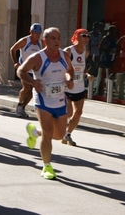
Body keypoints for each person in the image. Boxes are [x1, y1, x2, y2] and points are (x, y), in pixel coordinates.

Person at [17, 27, 74, 180]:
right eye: (53, 38)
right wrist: (33, 82)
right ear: (45, 41)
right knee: (48, 133)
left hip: (60, 99)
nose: (57, 41)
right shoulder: (37, 58)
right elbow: (21, 71)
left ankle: (34, 133)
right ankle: (47, 166)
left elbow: (70, 70)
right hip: (43, 100)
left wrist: (69, 79)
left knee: (59, 135)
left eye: (58, 38)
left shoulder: (65, 55)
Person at [62, 28, 94, 146]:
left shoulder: (86, 52)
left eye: (88, 36)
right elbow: (62, 67)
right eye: (84, 36)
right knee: (69, 113)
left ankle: (68, 134)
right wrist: (67, 79)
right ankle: (58, 125)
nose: (87, 38)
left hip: (79, 85)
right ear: (77, 37)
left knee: (79, 112)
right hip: (67, 86)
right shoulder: (68, 51)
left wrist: (87, 74)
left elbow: (83, 66)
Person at [10, 23, 44, 118]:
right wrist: (16, 62)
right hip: (24, 69)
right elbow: (12, 49)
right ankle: (20, 106)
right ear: (31, 32)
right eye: (36, 33)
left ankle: (21, 106)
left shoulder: (41, 43)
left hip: (35, 70)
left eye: (39, 33)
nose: (37, 35)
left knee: (31, 91)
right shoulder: (25, 41)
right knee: (27, 88)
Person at [94, 25, 117, 96]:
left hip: (110, 57)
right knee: (100, 73)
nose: (114, 32)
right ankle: (97, 90)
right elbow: (100, 47)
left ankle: (107, 91)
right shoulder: (106, 38)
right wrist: (107, 49)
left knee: (107, 74)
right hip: (104, 57)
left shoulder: (114, 38)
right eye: (112, 31)